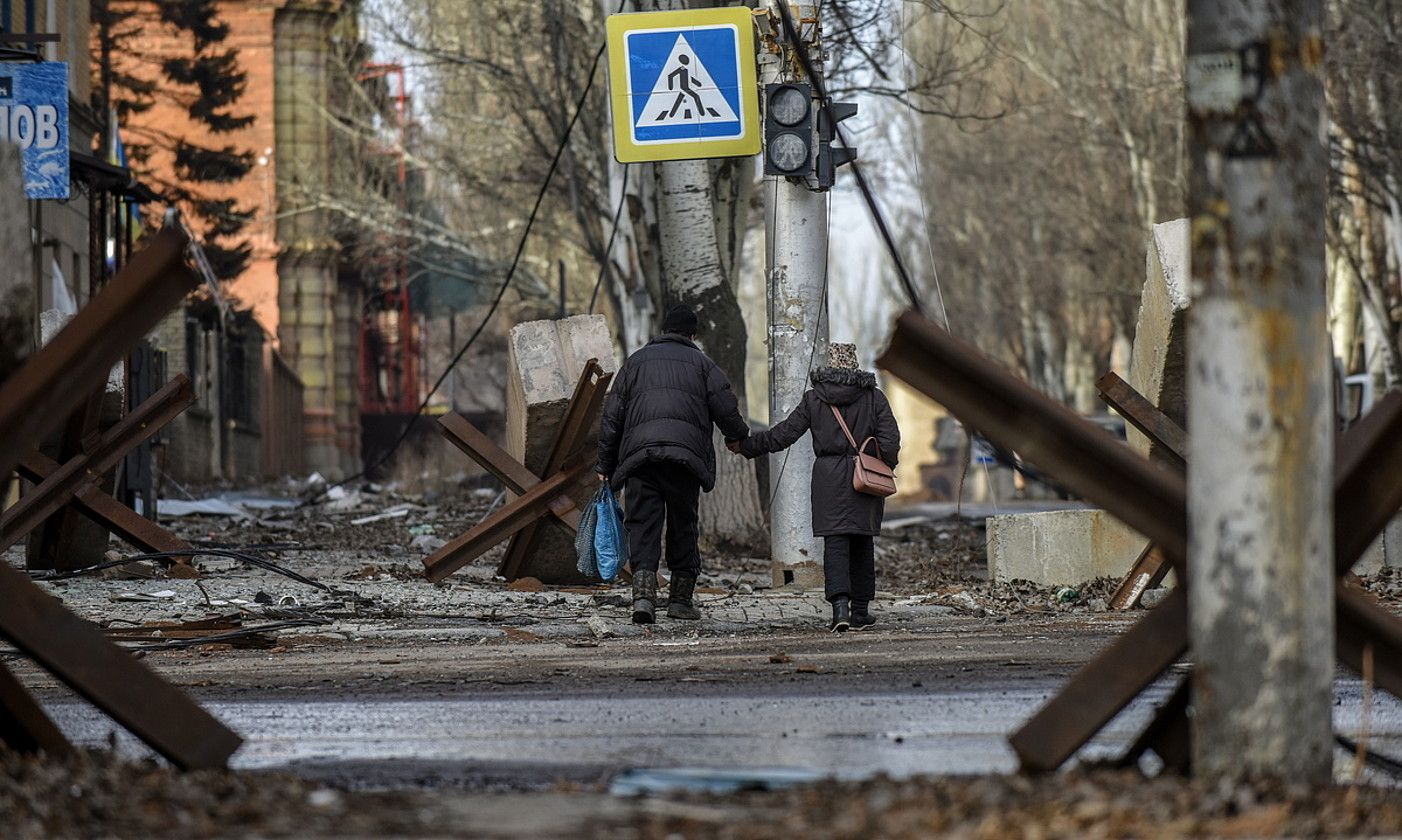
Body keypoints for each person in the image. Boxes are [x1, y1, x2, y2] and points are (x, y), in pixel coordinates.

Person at [597, 304, 750, 624]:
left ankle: (643, 599)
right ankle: (680, 601)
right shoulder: (704, 365)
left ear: (664, 330)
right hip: (684, 461)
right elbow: (726, 408)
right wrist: (738, 437)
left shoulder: (634, 363)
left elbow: (612, 418)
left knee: (642, 526)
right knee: (684, 525)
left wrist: (605, 464)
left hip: (641, 459)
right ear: (692, 335)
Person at [737, 343, 900, 632]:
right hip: (865, 476)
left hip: (828, 478)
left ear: (829, 366)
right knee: (862, 542)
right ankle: (861, 610)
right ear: (854, 365)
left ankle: (840, 611)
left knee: (836, 544)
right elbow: (890, 440)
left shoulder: (814, 400)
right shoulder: (874, 398)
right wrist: (883, 464)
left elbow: (783, 435)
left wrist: (748, 446)